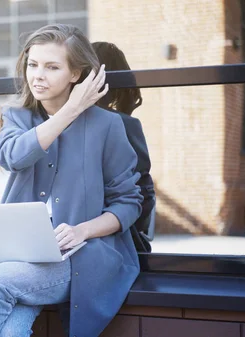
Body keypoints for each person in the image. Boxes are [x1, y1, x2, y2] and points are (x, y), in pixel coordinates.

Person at [0, 24, 143, 337]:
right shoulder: (17, 116)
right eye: (33, 65)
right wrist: (70, 111)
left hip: (83, 255)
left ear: (76, 74)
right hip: (23, 251)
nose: (38, 76)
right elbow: (13, 156)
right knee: (10, 328)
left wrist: (81, 230)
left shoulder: (108, 126)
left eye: (52, 67)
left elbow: (129, 202)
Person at [92, 41, 156, 253]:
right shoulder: (61, 122)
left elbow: (140, 191)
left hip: (112, 239)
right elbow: (145, 190)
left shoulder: (121, 124)